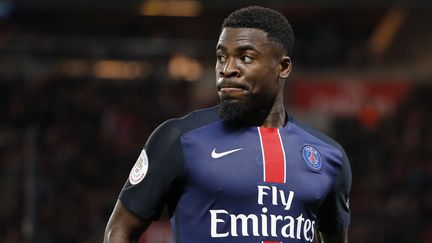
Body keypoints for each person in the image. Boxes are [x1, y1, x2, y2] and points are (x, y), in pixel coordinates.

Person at [104, 6, 351, 243]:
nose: (227, 69)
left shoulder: (329, 157)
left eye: (245, 57)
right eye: (221, 57)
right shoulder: (178, 139)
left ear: (283, 67)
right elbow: (119, 230)